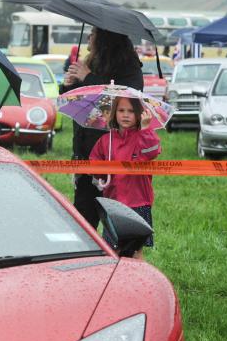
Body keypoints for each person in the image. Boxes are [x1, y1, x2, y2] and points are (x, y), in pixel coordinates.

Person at [61, 27, 143, 229]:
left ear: (106, 39)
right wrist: (68, 86)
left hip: (114, 155)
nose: (89, 37)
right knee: (83, 220)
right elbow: (79, 104)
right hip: (85, 152)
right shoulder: (89, 62)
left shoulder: (129, 66)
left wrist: (88, 78)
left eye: (94, 33)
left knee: (115, 221)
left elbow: (124, 101)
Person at [89, 96, 159, 260]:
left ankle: (140, 281)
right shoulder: (106, 140)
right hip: (113, 203)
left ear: (139, 114)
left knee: (136, 251)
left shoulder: (143, 135)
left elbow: (152, 152)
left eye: (131, 111)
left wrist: (146, 129)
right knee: (113, 250)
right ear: (114, 113)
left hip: (138, 202)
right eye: (121, 110)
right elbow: (93, 162)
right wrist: (101, 174)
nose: (125, 115)